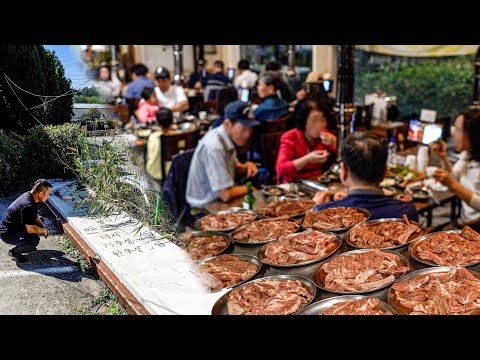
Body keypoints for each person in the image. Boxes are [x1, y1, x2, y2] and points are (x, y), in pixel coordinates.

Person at [312, 132, 419, 221]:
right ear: (384, 174)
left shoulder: (322, 213)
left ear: (343, 171)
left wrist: (313, 209)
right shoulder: (407, 211)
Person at [186, 101, 261, 209]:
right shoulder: (215, 147)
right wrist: (249, 188)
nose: (248, 134)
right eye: (244, 128)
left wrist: (245, 167)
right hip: (204, 207)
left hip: (220, 198)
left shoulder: (226, 137)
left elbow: (232, 166)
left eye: (250, 128)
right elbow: (225, 194)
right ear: (228, 124)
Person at [430, 108, 480, 230]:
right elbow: (454, 177)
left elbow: (453, 183)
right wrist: (443, 157)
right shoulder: (467, 154)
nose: (453, 133)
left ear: (473, 134)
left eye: (458, 129)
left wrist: (452, 184)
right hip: (464, 222)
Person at [276, 100, 337, 183]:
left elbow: (345, 157)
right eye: (314, 120)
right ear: (304, 121)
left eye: (322, 120)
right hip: (293, 184)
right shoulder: (291, 137)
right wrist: (308, 159)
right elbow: (281, 168)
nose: (320, 125)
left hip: (317, 181)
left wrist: (335, 143)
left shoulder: (325, 136)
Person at [0, 179, 51, 263]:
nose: (48, 196)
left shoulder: (28, 195)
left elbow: (35, 216)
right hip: (7, 234)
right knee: (34, 240)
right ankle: (14, 252)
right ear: (41, 194)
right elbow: (31, 229)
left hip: (13, 227)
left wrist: (43, 227)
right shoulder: (28, 205)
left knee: (40, 222)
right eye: (47, 194)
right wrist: (43, 231)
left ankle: (25, 245)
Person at [146, 108, 174, 181]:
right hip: (172, 173)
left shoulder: (153, 137)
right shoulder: (176, 136)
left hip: (154, 173)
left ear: (157, 122)